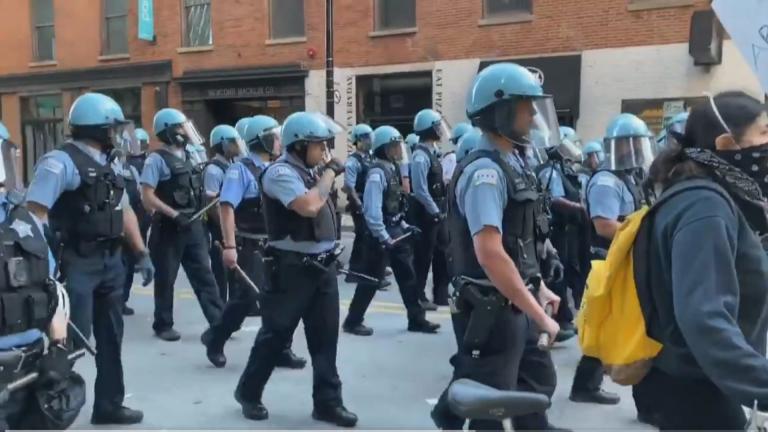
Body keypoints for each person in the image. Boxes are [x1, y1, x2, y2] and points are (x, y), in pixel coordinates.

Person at [431, 63, 563, 431]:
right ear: (501, 110)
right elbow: (490, 252)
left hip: (514, 299)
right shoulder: (485, 174)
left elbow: (517, 241)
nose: (534, 116)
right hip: (490, 308)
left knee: (534, 382)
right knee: (489, 400)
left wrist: (539, 286)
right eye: (526, 107)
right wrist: (538, 314)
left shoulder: (513, 162)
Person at [633, 90, 768, 430]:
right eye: (764, 133)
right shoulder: (704, 207)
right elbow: (703, 316)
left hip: (699, 385)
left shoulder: (704, 196)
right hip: (699, 392)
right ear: (726, 143)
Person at [26, 92, 155, 425]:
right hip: (76, 262)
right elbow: (35, 215)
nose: (119, 135)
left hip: (111, 261)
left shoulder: (112, 163)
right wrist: (44, 267)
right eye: (113, 129)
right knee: (70, 340)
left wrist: (140, 251)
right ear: (97, 129)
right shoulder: (60, 162)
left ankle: (109, 405)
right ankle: (37, 411)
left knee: (111, 337)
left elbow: (123, 209)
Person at [233, 111, 357, 427]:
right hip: (291, 271)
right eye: (320, 145)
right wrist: (329, 172)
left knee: (325, 338)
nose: (326, 150)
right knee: (275, 336)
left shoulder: (309, 170)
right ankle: (248, 392)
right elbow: (308, 206)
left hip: (323, 268)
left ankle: (328, 402)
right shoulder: (280, 173)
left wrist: (324, 171)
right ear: (300, 145)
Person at [201, 115, 306, 370]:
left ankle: (282, 348)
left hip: (277, 243)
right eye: (276, 136)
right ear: (264, 140)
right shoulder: (241, 170)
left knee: (284, 299)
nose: (280, 142)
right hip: (251, 244)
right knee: (247, 298)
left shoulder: (279, 167)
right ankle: (216, 337)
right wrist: (229, 246)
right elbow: (226, 208)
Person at [570, 113, 657, 409]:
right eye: (627, 144)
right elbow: (604, 225)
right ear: (615, 147)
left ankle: (645, 398)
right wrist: (640, 234)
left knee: (631, 324)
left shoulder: (629, 177)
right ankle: (585, 384)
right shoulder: (606, 181)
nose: (632, 151)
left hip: (625, 257)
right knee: (606, 324)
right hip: (606, 260)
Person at [342, 125, 441, 336]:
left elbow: (395, 206)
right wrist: (384, 236)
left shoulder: (392, 168)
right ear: (384, 148)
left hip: (395, 232)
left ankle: (416, 319)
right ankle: (352, 321)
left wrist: (405, 226)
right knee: (370, 281)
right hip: (381, 237)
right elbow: (372, 211)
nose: (398, 150)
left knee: (409, 279)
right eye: (394, 146)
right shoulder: (378, 173)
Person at [141, 108, 224, 342]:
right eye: (180, 127)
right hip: (169, 228)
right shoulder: (156, 159)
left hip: (194, 225)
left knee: (204, 276)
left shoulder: (191, 155)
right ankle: (163, 324)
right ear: (168, 131)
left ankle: (219, 322)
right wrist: (173, 214)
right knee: (166, 278)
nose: (184, 132)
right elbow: (147, 196)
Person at [536, 127, 588, 342]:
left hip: (567, 230)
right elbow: (555, 200)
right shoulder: (549, 171)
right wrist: (580, 208)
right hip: (555, 229)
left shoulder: (562, 168)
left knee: (566, 273)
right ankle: (555, 322)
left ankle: (563, 319)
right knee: (555, 274)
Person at [410, 109, 452, 309]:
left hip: (438, 211)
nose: (440, 130)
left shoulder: (432, 152)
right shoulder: (420, 156)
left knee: (442, 253)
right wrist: (434, 210)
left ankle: (441, 294)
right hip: (427, 214)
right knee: (423, 257)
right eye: (437, 127)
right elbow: (419, 189)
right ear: (429, 130)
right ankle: (418, 296)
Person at [204, 125, 241, 302]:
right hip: (219, 228)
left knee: (234, 272)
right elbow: (212, 204)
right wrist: (226, 227)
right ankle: (220, 306)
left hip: (232, 224)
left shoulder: (232, 165)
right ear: (224, 144)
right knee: (220, 271)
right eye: (234, 142)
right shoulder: (213, 169)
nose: (238, 145)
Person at [120, 126, 150, 316]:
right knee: (123, 261)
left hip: (140, 214)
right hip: (124, 216)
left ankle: (122, 299)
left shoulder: (146, 163)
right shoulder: (121, 164)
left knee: (129, 262)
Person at [343, 124, 374, 279]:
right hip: (360, 204)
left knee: (370, 236)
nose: (369, 140)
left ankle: (369, 269)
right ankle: (354, 272)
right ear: (358, 141)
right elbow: (349, 186)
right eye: (365, 138)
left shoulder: (369, 157)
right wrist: (359, 204)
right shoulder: (352, 162)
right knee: (362, 235)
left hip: (370, 203)